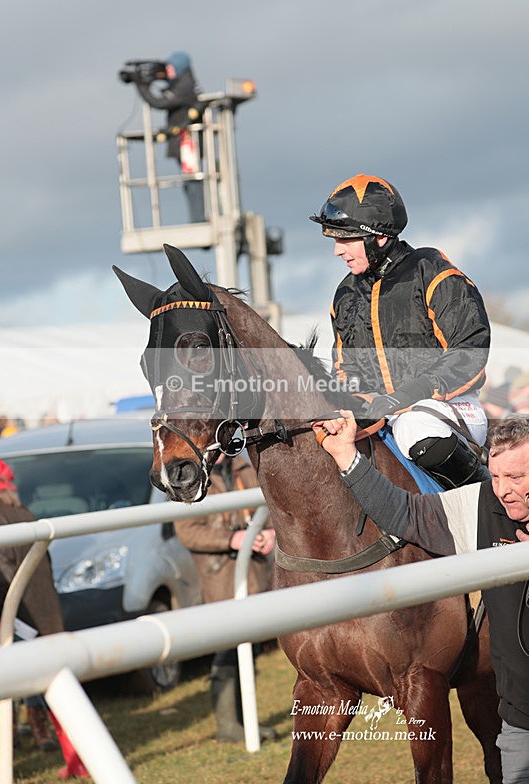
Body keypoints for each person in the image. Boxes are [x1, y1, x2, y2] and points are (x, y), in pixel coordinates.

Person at [313, 411, 529, 784]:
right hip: (520, 723)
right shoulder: (481, 505)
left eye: (515, 477)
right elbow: (405, 512)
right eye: (495, 476)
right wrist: (346, 456)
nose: (503, 489)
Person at [310, 173, 492, 489]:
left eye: (346, 239)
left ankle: (492, 504)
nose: (338, 251)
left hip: (449, 407)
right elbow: (345, 369)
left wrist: (405, 396)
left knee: (414, 427)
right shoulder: (344, 295)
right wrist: (350, 398)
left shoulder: (431, 270)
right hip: (383, 413)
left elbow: (470, 349)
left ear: (379, 236)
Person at [174, 454, 276, 742]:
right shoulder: (189, 476)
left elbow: (265, 509)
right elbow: (187, 532)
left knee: (248, 651)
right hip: (219, 578)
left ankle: (245, 724)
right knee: (227, 653)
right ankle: (228, 728)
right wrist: (230, 540)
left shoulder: (244, 466)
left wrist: (269, 533)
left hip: (251, 574)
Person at [0, 457, 88, 778]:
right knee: (60, 696)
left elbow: (3, 582)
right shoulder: (25, 514)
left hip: (17, 620)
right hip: (45, 615)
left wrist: (10, 623)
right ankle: (79, 761)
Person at [133, 50, 206, 224]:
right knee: (189, 180)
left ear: (180, 68)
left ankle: (198, 219)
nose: (168, 71)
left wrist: (142, 86)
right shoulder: (183, 82)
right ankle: (197, 218)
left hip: (188, 141)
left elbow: (160, 102)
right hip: (184, 140)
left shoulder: (184, 85)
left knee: (192, 180)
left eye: (171, 68)